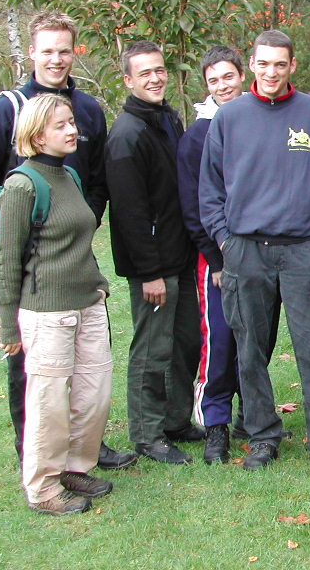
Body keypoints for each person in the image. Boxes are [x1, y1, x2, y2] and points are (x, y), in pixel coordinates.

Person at [0, 11, 134, 471]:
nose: (56, 59)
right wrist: (22, 220)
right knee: (33, 369)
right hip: (29, 264)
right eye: (48, 50)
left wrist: (84, 216)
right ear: (32, 53)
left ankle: (87, 448)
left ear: (74, 52)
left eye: (64, 50)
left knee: (87, 365)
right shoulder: (8, 110)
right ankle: (33, 453)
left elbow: (97, 179)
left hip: (77, 258)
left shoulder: (90, 109)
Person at [199, 30, 310, 474]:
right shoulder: (229, 117)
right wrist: (225, 240)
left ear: (292, 65)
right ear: (251, 65)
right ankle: (261, 436)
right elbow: (210, 191)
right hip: (246, 250)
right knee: (251, 350)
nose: (271, 72)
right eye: (263, 63)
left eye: (280, 64)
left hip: (302, 252)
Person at [0, 94, 113, 515]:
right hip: (47, 314)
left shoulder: (70, 178)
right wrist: (8, 326)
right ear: (37, 133)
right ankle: (44, 489)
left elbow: (80, 240)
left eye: (71, 122)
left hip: (87, 306)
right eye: (61, 125)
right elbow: (5, 261)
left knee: (93, 394)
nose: (72, 130)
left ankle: (77, 468)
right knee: (49, 404)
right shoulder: (22, 185)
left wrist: (97, 284)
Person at [106, 41, 202, 465]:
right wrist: (149, 273)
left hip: (179, 256)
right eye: (144, 73)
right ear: (128, 80)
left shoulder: (167, 119)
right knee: (152, 348)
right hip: (152, 266)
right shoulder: (127, 135)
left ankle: (177, 419)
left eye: (159, 70)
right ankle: (147, 433)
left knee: (185, 342)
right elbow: (129, 213)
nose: (155, 78)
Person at [176, 46, 248, 465]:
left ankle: (251, 417)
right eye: (214, 80)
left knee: (252, 341)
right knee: (219, 342)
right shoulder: (197, 137)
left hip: (258, 251)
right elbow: (194, 205)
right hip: (217, 258)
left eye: (228, 77)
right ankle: (215, 425)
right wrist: (216, 259)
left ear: (242, 76)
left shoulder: (258, 120)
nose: (223, 86)